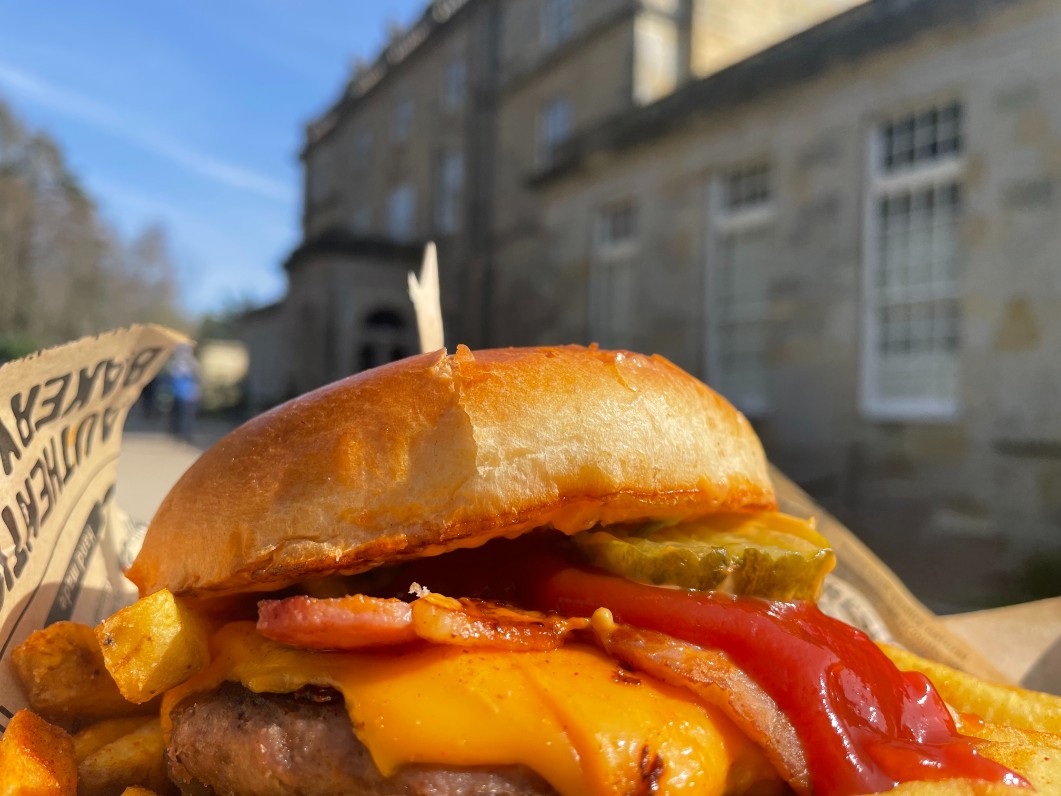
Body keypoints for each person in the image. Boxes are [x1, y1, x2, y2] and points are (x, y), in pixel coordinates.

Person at [168, 345, 201, 442]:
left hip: (189, 394)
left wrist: (196, 392)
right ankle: (177, 433)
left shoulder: (193, 364)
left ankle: (186, 434)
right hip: (177, 394)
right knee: (177, 415)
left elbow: (198, 379)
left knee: (188, 416)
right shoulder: (174, 364)